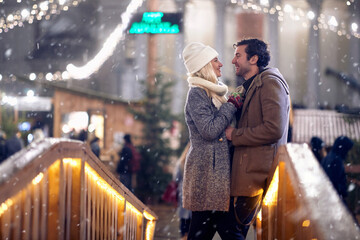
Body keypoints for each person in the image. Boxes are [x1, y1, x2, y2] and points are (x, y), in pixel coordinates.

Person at [225, 38, 290, 237]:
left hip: (255, 175)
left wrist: (234, 135)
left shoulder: (269, 83)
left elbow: (273, 129)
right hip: (247, 173)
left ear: (253, 59)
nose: (233, 60)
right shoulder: (251, 85)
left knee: (234, 230)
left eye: (238, 55)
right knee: (233, 229)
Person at [182, 42, 242, 239]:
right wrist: (231, 106)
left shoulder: (213, 93)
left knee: (204, 231)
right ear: (205, 65)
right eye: (215, 60)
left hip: (214, 176)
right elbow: (209, 131)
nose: (221, 64)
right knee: (224, 231)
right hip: (207, 175)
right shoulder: (197, 94)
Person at [321, 136, 354, 204]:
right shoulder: (336, 161)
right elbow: (335, 184)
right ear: (343, 149)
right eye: (346, 150)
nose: (347, 153)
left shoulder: (328, 157)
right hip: (333, 200)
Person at [174, 144, 191, 240]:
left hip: (182, 190)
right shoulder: (196, 161)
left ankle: (183, 235)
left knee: (183, 215)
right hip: (193, 191)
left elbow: (176, 178)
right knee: (193, 215)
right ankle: (190, 234)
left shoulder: (181, 162)